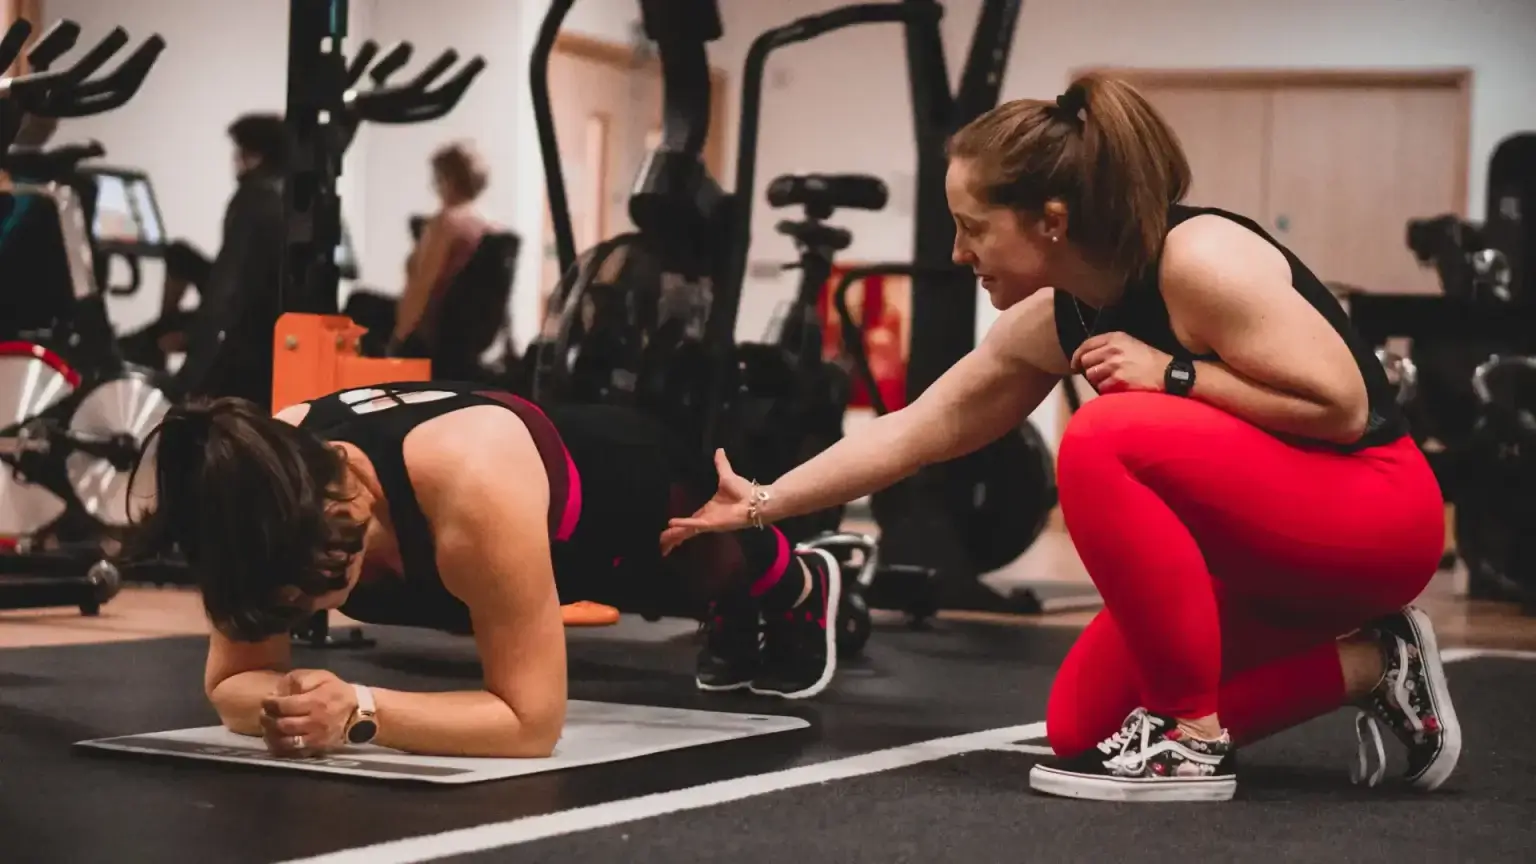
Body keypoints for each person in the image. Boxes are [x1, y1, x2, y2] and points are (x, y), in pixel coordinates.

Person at [662, 73, 1456, 803]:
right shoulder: (1056, 316)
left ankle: (1189, 738)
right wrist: (762, 503)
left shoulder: (1200, 261)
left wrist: (1176, 376)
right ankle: (1377, 665)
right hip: (1250, 554)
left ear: (1051, 222)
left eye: (972, 228)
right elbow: (917, 430)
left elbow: (1343, 409)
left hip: (1373, 516)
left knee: (1106, 432)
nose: (956, 252)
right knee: (1082, 731)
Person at [128, 382, 842, 759]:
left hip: (629, 493)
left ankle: (804, 581)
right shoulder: (255, 488)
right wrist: (293, 702)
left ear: (346, 504)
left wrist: (360, 712)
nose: (296, 613)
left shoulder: (472, 487)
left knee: (716, 571)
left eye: (309, 596)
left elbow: (531, 724)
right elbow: (229, 684)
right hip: (492, 525)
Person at [127, 113, 289, 408]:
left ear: (251, 155)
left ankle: (159, 363)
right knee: (178, 253)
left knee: (134, 346)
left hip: (246, 332)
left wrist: (193, 368)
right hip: (265, 319)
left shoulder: (253, 198)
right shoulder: (285, 196)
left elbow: (225, 290)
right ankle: (167, 333)